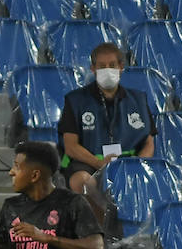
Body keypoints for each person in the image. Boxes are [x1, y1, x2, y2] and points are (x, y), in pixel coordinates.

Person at [57, 42, 157, 218]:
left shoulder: (139, 100)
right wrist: (101, 164)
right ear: (93, 69)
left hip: (128, 162)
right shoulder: (75, 100)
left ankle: (130, 227)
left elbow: (149, 142)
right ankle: (103, 225)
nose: (107, 70)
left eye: (112, 65)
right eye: (102, 66)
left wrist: (137, 164)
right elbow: (71, 146)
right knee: (81, 180)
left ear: (121, 67)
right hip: (89, 163)